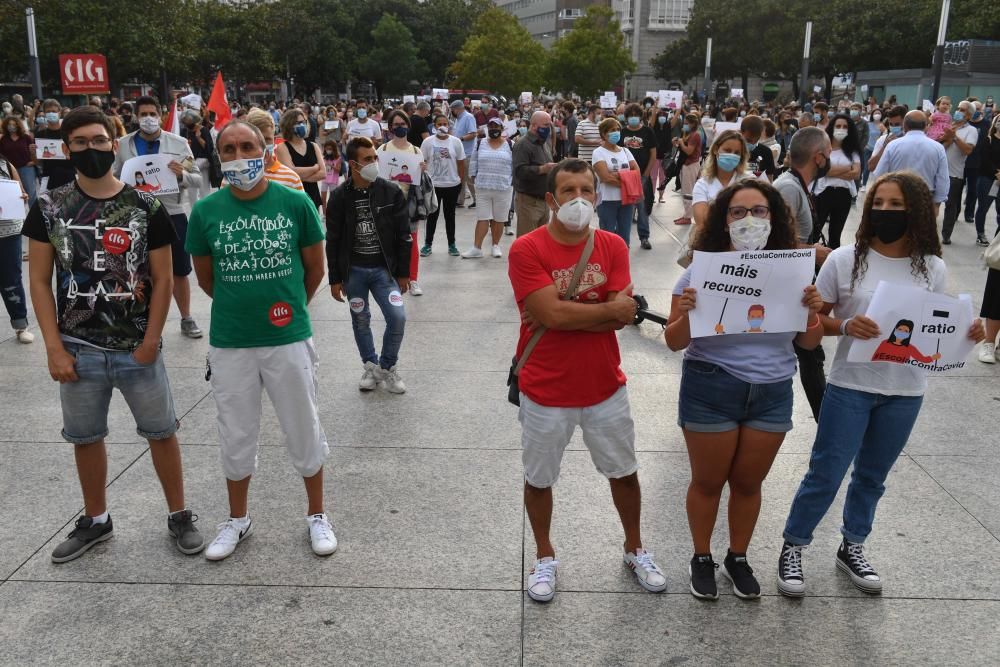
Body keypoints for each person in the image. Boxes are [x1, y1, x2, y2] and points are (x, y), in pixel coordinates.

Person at [777, 171, 985, 597]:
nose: (885, 211)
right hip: (851, 385)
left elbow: (929, 329)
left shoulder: (932, 266)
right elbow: (814, 331)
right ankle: (794, 545)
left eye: (896, 204)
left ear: (917, 211)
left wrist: (968, 332)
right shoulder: (842, 260)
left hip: (906, 390)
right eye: (879, 203)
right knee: (826, 473)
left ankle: (853, 544)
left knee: (872, 476)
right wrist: (845, 323)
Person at [23, 105, 203, 562]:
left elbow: (163, 278)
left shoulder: (145, 205)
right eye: (80, 142)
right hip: (77, 349)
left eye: (99, 140)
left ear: (112, 142)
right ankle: (96, 519)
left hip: (137, 346)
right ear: (67, 150)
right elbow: (39, 280)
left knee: (162, 432)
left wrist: (150, 341)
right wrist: (52, 347)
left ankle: (179, 513)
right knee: (85, 438)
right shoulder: (48, 206)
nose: (91, 149)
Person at [509, 158, 667, 603]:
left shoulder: (614, 244)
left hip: (604, 386)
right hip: (545, 387)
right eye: (567, 191)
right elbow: (554, 315)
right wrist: (597, 312)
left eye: (585, 190)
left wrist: (568, 314)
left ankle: (635, 547)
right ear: (550, 200)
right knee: (539, 479)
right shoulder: (527, 249)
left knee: (624, 473)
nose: (578, 199)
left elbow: (617, 316)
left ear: (596, 196)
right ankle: (544, 555)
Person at [666, 179, 824, 600]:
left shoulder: (792, 272)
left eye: (759, 211)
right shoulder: (701, 270)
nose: (749, 220)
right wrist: (684, 312)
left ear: (774, 218)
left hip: (772, 388)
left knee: (749, 484)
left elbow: (807, 343)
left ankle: (738, 556)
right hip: (710, 384)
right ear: (724, 219)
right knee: (707, 481)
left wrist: (812, 312)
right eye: (738, 212)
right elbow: (674, 340)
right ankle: (702, 556)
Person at [186, 120, 333, 560]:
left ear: (266, 150)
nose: (237, 156)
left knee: (303, 426)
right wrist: (245, 304)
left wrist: (289, 309)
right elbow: (207, 279)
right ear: (218, 156)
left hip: (287, 336)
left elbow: (315, 269)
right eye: (227, 148)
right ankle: (237, 520)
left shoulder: (294, 203)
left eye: (246, 146)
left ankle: (317, 514)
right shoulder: (207, 212)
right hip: (231, 339)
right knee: (235, 432)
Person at [113, 95, 204, 340]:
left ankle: (186, 317)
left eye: (153, 114)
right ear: (136, 116)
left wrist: (182, 174)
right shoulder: (122, 145)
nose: (148, 119)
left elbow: (197, 178)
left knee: (180, 270)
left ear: (161, 115)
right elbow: (111, 175)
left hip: (171, 214)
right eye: (143, 114)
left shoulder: (178, 143)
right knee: (140, 271)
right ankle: (147, 321)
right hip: (136, 216)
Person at [328, 136, 411, 394]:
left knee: (397, 318)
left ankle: (387, 368)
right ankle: (370, 366)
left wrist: (404, 273)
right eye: (368, 159)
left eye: (375, 157)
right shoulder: (339, 197)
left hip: (383, 271)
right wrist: (335, 278)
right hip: (354, 273)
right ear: (353, 164)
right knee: (360, 319)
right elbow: (333, 239)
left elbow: (404, 235)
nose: (374, 162)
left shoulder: (391, 192)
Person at [773, 127, 835, 421]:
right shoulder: (788, 187)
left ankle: (826, 420)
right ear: (818, 157)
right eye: (829, 154)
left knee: (812, 357)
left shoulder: (797, 185)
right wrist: (813, 252)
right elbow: (772, 242)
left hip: (796, 283)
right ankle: (826, 422)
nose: (830, 159)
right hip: (784, 286)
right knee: (810, 357)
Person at [377, 110, 425, 295]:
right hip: (387, 204)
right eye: (396, 125)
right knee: (388, 242)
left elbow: (420, 179)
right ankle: (389, 277)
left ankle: (413, 279)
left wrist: (423, 169)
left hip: (409, 203)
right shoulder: (382, 150)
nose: (399, 128)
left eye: (403, 124)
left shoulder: (416, 151)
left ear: (408, 126)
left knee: (411, 242)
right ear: (390, 128)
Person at [871, 111, 949, 216]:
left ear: (905, 125)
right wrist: (937, 204)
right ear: (926, 126)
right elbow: (942, 179)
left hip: (896, 195)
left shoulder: (893, 145)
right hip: (925, 197)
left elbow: (879, 174)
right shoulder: (937, 148)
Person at [691, 130, 765, 229]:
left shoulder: (750, 181)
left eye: (737, 153)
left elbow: (759, 217)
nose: (732, 155)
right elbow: (701, 222)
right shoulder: (703, 184)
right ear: (716, 150)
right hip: (713, 241)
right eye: (727, 150)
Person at [463, 118, 513, 259]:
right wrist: (473, 177)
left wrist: (512, 181)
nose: (493, 129)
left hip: (503, 187)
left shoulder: (510, 144)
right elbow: (473, 161)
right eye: (491, 126)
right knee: (482, 217)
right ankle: (476, 248)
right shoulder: (480, 143)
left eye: (496, 126)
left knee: (499, 218)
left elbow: (514, 164)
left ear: (502, 129)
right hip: (483, 187)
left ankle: (495, 246)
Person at [812, 113, 862, 249]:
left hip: (843, 195)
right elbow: (822, 170)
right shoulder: (823, 149)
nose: (841, 129)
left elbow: (856, 174)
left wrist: (831, 171)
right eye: (838, 126)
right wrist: (847, 168)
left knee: (835, 234)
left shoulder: (853, 152)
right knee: (815, 232)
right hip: (823, 193)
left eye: (845, 126)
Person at [420, 113, 465, 257]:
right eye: (439, 124)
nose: (442, 127)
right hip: (434, 185)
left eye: (445, 124)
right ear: (434, 126)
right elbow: (422, 160)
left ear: (449, 125)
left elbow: (461, 162)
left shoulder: (456, 142)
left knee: (450, 216)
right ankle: (428, 244)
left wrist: (460, 180)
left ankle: (452, 244)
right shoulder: (428, 142)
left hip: (452, 184)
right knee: (432, 215)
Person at [0, 148, 32, 342]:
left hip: (9, 230)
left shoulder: (6, 164)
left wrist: (22, 196)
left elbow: (20, 191)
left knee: (11, 279)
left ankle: (21, 325)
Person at [592, 118, 639, 246]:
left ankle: (622, 263)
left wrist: (617, 175)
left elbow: (636, 172)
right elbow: (605, 177)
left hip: (626, 201)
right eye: (612, 130)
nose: (616, 132)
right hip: (607, 201)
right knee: (607, 237)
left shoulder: (625, 151)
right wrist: (627, 180)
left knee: (624, 237)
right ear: (603, 134)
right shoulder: (598, 153)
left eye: (618, 129)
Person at [939, 100, 979, 245]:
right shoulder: (948, 125)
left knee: (950, 206)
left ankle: (946, 235)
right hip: (937, 172)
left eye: (962, 110)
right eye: (957, 108)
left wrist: (954, 137)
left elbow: (968, 150)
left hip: (954, 175)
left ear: (968, 115)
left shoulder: (971, 131)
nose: (958, 111)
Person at [512, 111, 556, 237]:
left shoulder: (544, 142)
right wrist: (542, 169)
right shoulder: (523, 144)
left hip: (544, 201)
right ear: (534, 125)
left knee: (542, 241)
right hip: (529, 201)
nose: (549, 129)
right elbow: (519, 171)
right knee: (527, 241)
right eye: (546, 125)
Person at [619, 103, 657, 249]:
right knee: (624, 208)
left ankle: (644, 237)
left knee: (642, 207)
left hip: (641, 176)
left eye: (636, 115)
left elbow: (653, 154)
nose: (633, 118)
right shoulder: (621, 132)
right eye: (630, 115)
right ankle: (622, 239)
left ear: (640, 116)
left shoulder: (648, 132)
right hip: (624, 176)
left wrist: (646, 174)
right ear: (626, 117)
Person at [275, 108, 326, 210]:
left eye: (303, 122)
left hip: (312, 197)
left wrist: (300, 176)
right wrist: (314, 168)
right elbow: (291, 172)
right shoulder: (282, 147)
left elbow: (323, 173)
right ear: (289, 126)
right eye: (298, 123)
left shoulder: (313, 146)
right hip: (293, 197)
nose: (302, 125)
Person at [244, 108, 304, 192]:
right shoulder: (234, 178)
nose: (262, 145)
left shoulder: (291, 179)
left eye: (267, 139)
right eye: (256, 139)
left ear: (274, 140)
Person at [34, 99, 76, 192]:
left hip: (69, 175)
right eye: (48, 112)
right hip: (49, 177)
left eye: (54, 111)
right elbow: (37, 162)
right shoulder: (40, 135)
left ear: (59, 113)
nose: (51, 114)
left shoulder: (69, 133)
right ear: (44, 114)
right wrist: (33, 153)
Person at [973, 112, 1000, 247]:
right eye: (999, 120)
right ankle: (980, 234)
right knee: (983, 207)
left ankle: (997, 237)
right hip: (987, 179)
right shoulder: (988, 139)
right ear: (995, 123)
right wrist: (996, 173)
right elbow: (985, 159)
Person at [674, 113, 705, 225]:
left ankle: (688, 217)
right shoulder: (689, 134)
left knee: (688, 191)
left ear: (692, 124)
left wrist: (681, 143)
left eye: (687, 123)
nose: (685, 125)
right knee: (685, 190)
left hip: (690, 165)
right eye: (684, 123)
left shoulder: (695, 135)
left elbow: (689, 151)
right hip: (686, 164)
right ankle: (687, 214)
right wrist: (678, 143)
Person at [1, 114, 36, 206]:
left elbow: (34, 151)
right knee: (14, 194)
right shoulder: (3, 139)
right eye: (9, 124)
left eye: (14, 124)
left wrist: (33, 162)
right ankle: (20, 216)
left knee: (31, 193)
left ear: (18, 125)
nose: (11, 126)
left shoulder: (26, 137)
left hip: (26, 168)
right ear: (6, 126)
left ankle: (34, 215)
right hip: (9, 170)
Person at [180, 109, 214, 203]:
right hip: (190, 159)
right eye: (185, 122)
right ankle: (194, 208)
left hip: (203, 160)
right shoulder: (185, 131)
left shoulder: (204, 130)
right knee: (191, 188)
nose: (188, 125)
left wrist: (199, 138)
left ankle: (205, 206)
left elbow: (208, 148)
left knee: (204, 189)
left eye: (189, 122)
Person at [742, 115, 777, 181]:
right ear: (741, 132)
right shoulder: (734, 150)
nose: (752, 143)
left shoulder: (766, 152)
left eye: (756, 139)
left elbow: (769, 177)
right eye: (748, 140)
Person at [320, 139, 342, 213]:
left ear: (334, 149)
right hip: (324, 180)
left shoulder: (338, 158)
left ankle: (332, 214)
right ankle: (324, 214)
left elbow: (338, 170)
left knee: (333, 199)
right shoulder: (323, 157)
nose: (328, 150)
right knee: (323, 198)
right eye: (326, 149)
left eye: (330, 149)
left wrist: (331, 165)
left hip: (333, 181)